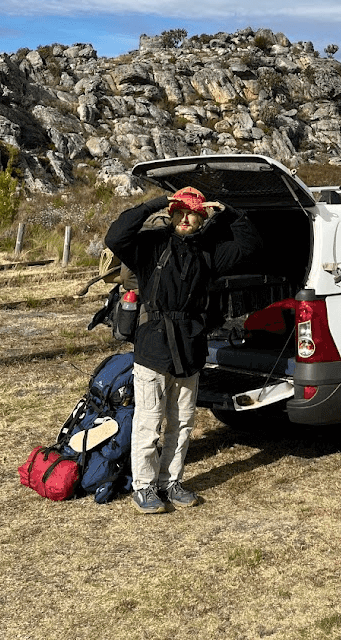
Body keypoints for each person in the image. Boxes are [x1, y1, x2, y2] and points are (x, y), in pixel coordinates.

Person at [104, 185, 261, 513]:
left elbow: (250, 245)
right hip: (153, 347)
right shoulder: (151, 245)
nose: (186, 218)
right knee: (150, 421)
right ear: (172, 214)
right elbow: (117, 236)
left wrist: (229, 211)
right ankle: (144, 487)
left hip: (189, 348)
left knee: (182, 422)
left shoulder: (208, 252)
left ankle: (170, 482)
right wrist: (158, 202)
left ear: (201, 218)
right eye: (180, 211)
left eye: (193, 213)